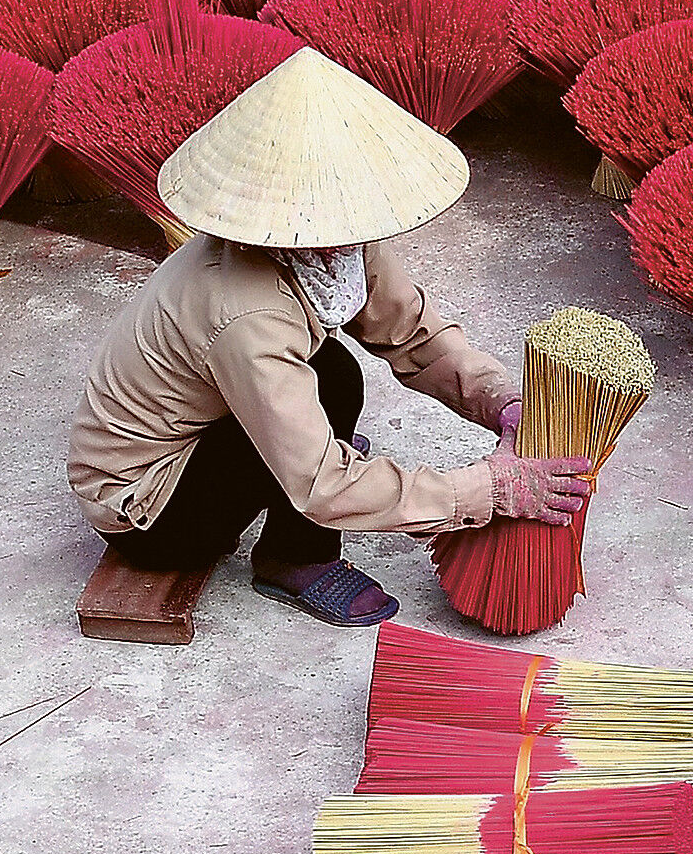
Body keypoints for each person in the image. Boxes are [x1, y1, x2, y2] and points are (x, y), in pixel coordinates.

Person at [66, 48, 595, 628]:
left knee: (332, 369)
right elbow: (322, 484)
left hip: (212, 419)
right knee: (330, 389)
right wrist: (488, 491)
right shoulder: (247, 316)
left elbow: (412, 334)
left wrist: (498, 400)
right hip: (151, 504)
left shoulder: (336, 241)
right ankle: (294, 557)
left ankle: (297, 482)